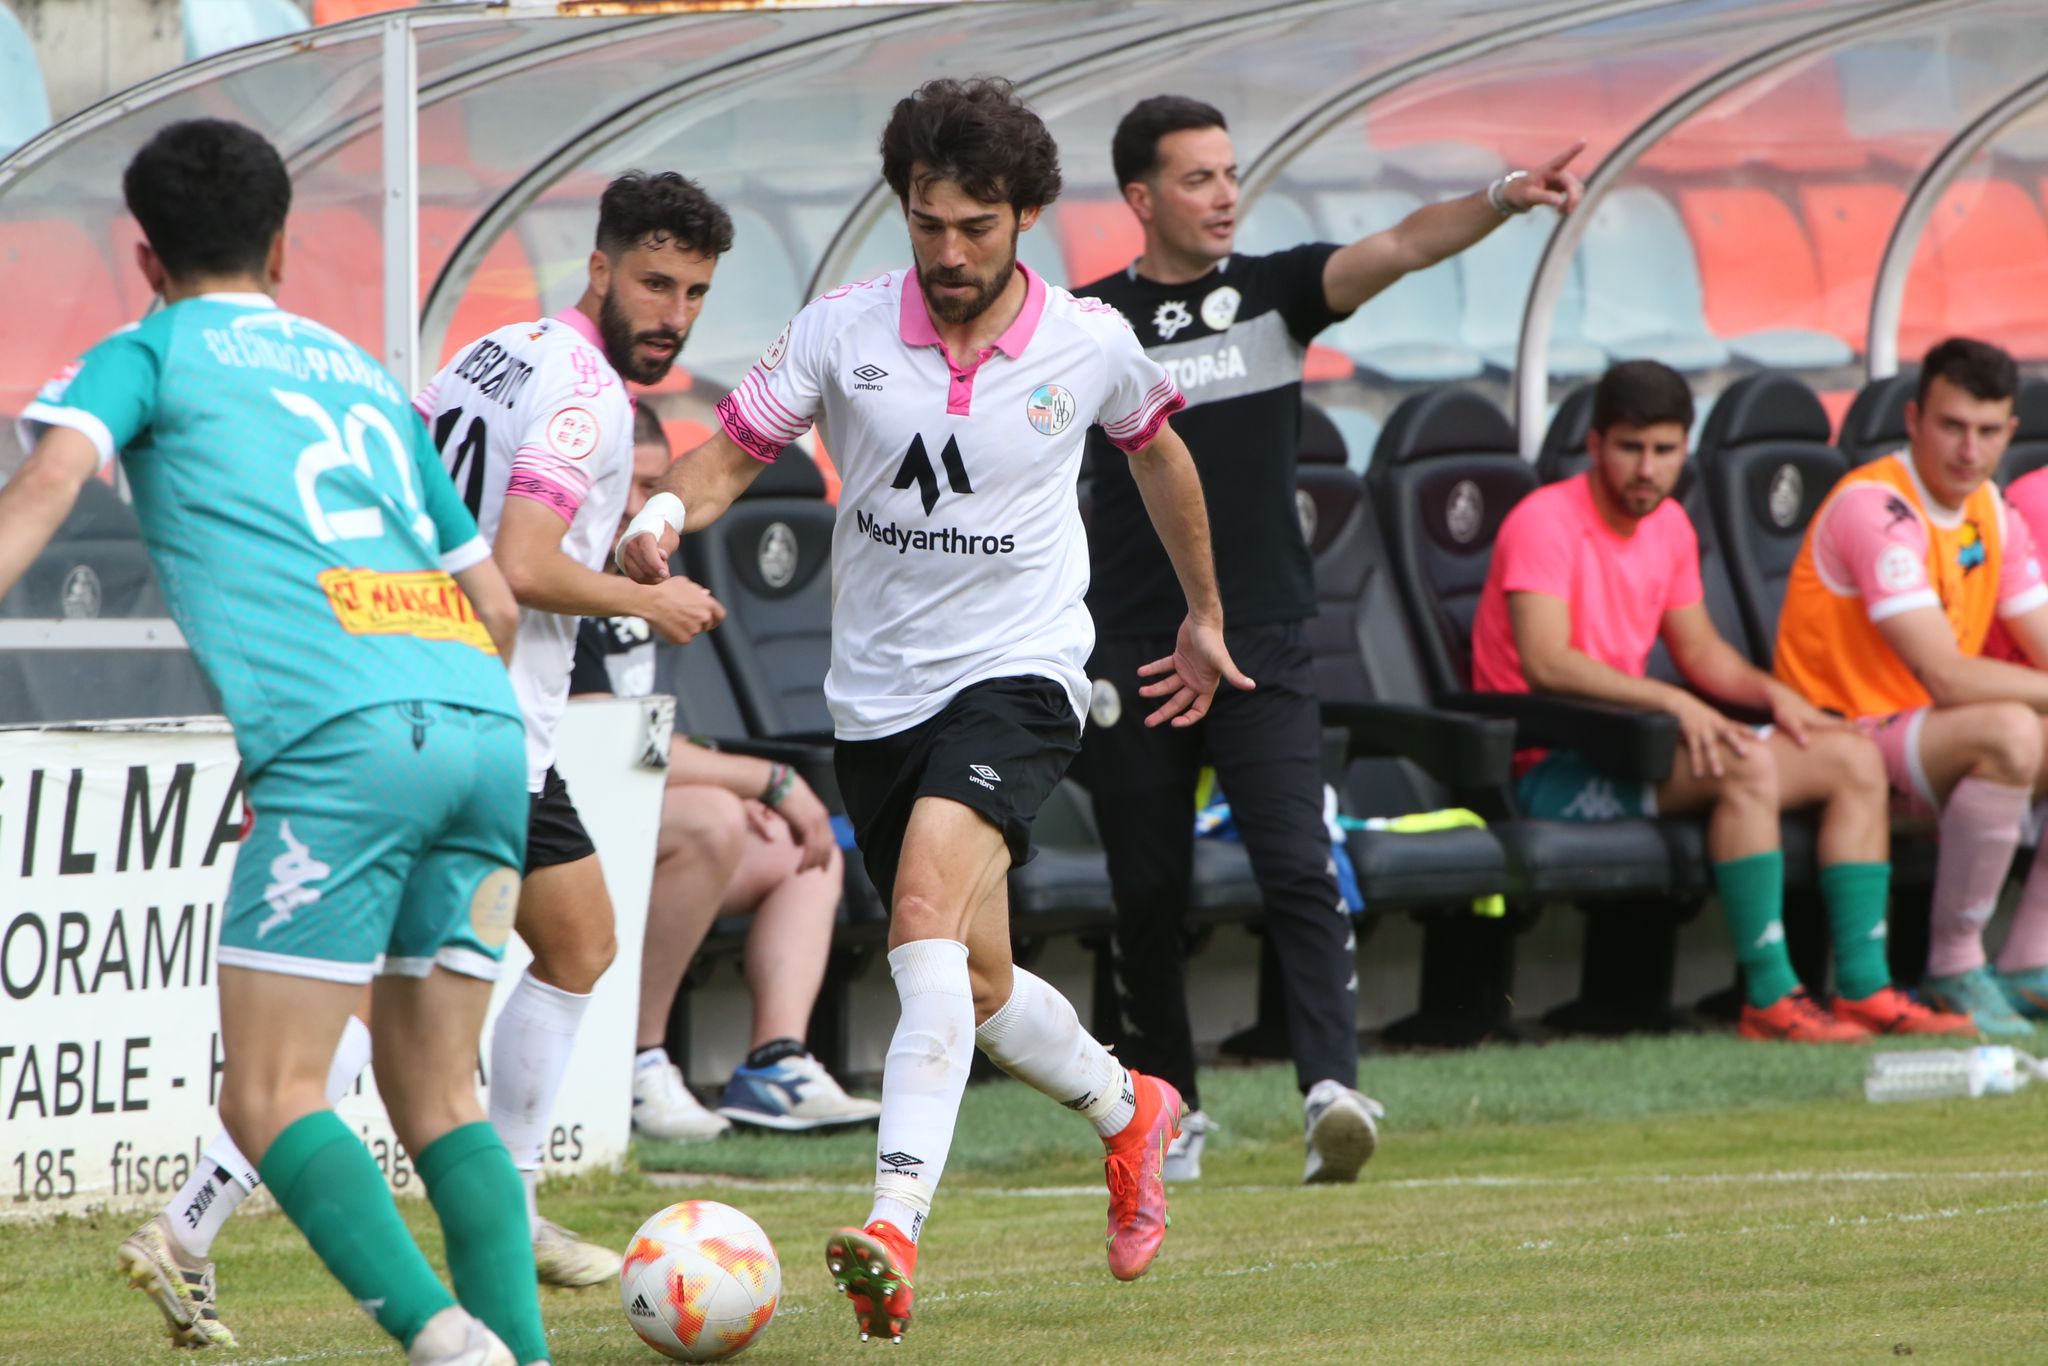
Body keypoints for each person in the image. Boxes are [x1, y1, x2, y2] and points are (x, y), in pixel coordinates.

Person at [618, 77, 1242, 1344]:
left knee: (915, 917)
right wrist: (662, 513)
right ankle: (1132, 1110)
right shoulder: (841, 330)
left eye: (975, 225)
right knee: (980, 975)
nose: (948, 252)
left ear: (1024, 216)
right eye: (925, 222)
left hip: (1020, 676)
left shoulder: (1086, 341)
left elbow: (1161, 451)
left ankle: (893, 1223)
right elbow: (734, 448)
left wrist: (1201, 613)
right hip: (879, 701)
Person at [3, 119, 546, 1365]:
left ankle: (446, 1342)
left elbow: (45, 488)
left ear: (146, 258)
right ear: (285, 242)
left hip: (342, 739)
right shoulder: (362, 373)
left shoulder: (145, 354)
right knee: (439, 1096)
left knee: (266, 1092)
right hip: (480, 725)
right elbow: (501, 603)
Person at [1071, 95, 1584, 1183]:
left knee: (1300, 865)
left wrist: (1501, 197)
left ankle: (1330, 1094)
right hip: (1131, 647)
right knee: (1145, 894)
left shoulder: (1271, 293)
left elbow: (1399, 245)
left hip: (1259, 640)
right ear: (1139, 198)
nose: (1223, 194)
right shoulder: (1087, 325)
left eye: (1228, 172)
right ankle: (1166, 1112)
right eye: (1198, 177)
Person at [413, 170, 739, 1287]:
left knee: (576, 941)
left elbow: (461, 519)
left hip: (423, 694)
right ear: (596, 268)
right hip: (483, 717)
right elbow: (519, 565)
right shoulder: (588, 393)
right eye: (654, 282)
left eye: (694, 291)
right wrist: (653, 599)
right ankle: (200, 1215)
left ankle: (510, 1207)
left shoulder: (487, 352)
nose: (673, 313)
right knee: (391, 1002)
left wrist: (618, 558)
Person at [1472, 359, 1971, 1042]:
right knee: (1746, 767)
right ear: (1594, 446)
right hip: (1548, 763)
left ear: (1686, 449)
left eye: (1665, 449)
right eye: (1630, 448)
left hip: (1633, 747)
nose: (1648, 469)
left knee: (1853, 759)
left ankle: (1866, 989)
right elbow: (1547, 661)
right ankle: (1770, 997)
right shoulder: (1544, 521)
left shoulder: (1671, 524)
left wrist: (1777, 698)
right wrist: (1677, 706)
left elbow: (1701, 653)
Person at [575, 406, 879, 1139]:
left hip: (628, 816)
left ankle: (775, 1064)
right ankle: (637, 1062)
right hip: (559, 816)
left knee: (798, 846)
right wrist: (762, 780)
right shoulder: (566, 575)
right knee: (722, 817)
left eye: (653, 489)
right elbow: (599, 746)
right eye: (621, 484)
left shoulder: (653, 572)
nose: (634, 508)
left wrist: (760, 793)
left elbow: (652, 737)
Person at [1777, 337, 2048, 1035]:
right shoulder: (1876, 506)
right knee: (2012, 729)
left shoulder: (1992, 508)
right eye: (1952, 426)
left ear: (2010, 433)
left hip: (1919, 737)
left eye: (1988, 432)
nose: (1969, 449)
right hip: (1839, 737)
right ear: (1914, 419)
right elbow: (1945, 675)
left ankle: (2029, 963)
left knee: (2019, 723)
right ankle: (1957, 969)